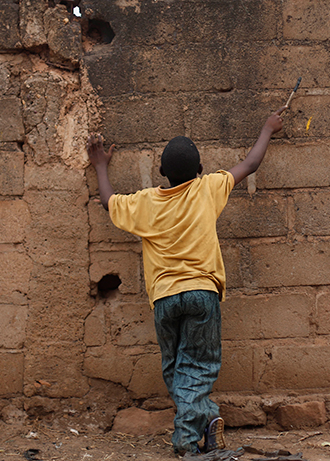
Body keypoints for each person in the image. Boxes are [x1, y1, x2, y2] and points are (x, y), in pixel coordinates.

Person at [87, 106, 287, 455]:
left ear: (161, 172)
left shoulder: (146, 203)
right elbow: (250, 164)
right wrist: (268, 129)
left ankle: (207, 425)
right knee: (198, 365)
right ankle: (185, 441)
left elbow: (107, 202)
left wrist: (100, 165)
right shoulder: (208, 189)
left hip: (164, 298)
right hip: (201, 294)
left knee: (177, 366)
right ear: (200, 170)